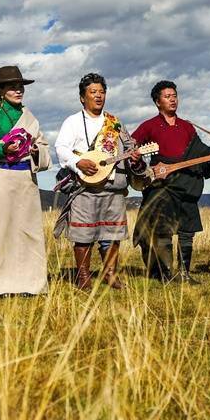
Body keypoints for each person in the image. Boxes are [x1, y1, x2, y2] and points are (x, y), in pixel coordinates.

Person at [132, 80, 210, 284]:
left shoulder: (187, 127)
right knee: (163, 231)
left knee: (187, 230)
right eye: (167, 96)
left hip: (188, 184)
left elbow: (201, 152)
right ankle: (166, 274)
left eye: (174, 95)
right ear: (157, 101)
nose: (172, 99)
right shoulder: (149, 126)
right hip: (162, 186)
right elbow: (131, 149)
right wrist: (137, 162)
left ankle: (185, 273)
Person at [54, 73, 147, 290]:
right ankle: (83, 275)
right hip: (85, 187)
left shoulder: (114, 123)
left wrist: (135, 156)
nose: (98, 96)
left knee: (112, 234)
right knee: (84, 234)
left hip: (113, 187)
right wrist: (79, 162)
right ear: (82, 97)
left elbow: (129, 146)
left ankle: (110, 273)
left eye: (102, 92)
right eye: (93, 92)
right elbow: (61, 148)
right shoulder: (73, 122)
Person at [0, 66, 51, 297]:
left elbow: (43, 147)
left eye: (20, 86)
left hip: (25, 178)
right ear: (1, 90)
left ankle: (27, 284)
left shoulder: (30, 117)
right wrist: (2, 148)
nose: (18, 90)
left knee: (25, 231)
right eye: (12, 86)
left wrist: (34, 150)